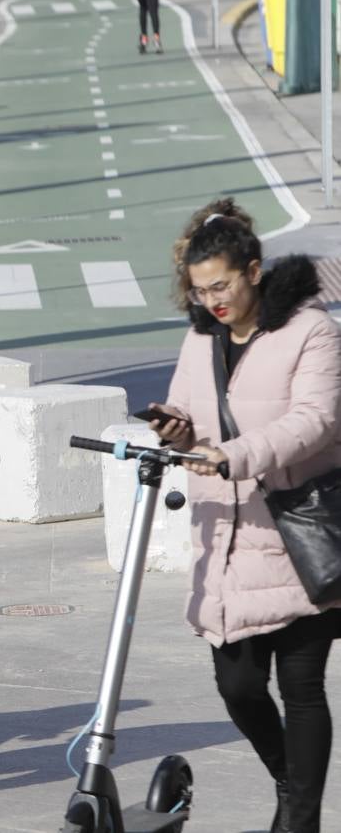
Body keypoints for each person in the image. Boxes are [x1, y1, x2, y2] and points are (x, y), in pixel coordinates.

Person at [146, 205, 341, 833]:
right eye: (201, 290)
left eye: (222, 286)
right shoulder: (201, 335)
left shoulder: (312, 330)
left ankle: (300, 820)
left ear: (253, 272)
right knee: (238, 686)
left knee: (303, 684)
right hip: (226, 540)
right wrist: (174, 429)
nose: (212, 300)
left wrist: (234, 455)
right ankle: (290, 777)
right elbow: (188, 412)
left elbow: (317, 420)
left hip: (301, 532)